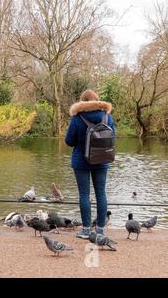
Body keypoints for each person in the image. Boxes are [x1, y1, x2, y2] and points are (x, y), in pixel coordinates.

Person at [65, 90, 115, 239]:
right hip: (102, 160)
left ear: (82, 101)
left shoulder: (76, 118)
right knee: (101, 194)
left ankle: (86, 230)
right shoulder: (107, 116)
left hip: (81, 161)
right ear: (97, 100)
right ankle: (100, 229)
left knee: (84, 195)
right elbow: (112, 138)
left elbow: (69, 141)